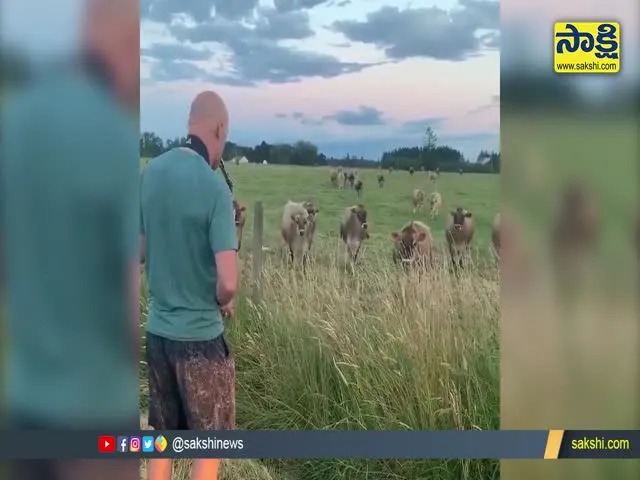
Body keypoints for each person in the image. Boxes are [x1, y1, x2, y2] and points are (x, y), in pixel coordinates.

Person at [0, 1, 140, 479]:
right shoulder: (117, 137)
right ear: (118, 42)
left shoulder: (15, 124)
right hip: (94, 413)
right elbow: (128, 302)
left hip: (28, 404)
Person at [141, 91, 239, 480]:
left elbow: (139, 252)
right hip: (201, 340)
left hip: (159, 335)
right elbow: (228, 281)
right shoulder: (215, 188)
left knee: (163, 439)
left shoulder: (150, 174)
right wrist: (220, 299)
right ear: (219, 129)